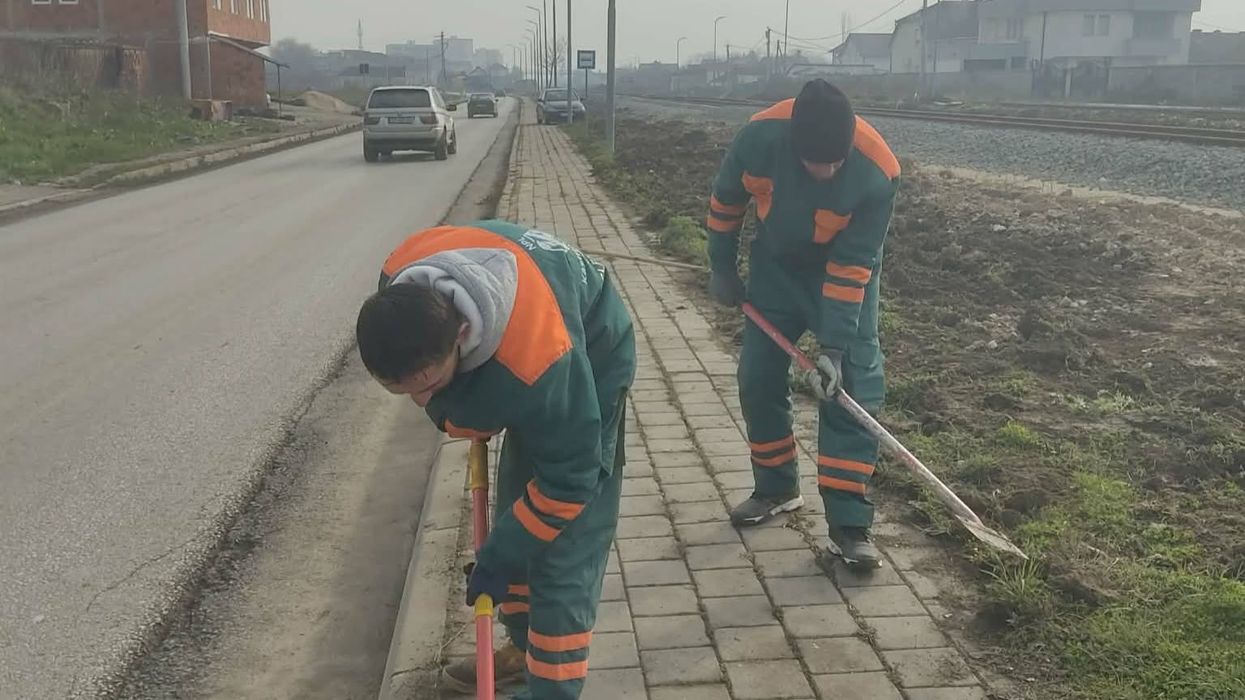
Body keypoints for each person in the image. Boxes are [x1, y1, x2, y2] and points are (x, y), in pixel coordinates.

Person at [356, 220, 636, 698]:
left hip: (591, 344)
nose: (422, 403)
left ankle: (551, 689)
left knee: (560, 543)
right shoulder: (398, 282)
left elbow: (570, 482)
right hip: (533, 322)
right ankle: (523, 651)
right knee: (518, 507)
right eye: (402, 392)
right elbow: (446, 399)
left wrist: (502, 554)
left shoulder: (541, 363)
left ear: (462, 334)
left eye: (426, 385)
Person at [704, 79, 900, 567]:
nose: (830, 169)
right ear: (795, 146)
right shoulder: (759, 139)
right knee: (757, 376)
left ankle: (849, 526)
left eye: (837, 162)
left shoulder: (877, 170)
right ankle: (776, 488)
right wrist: (722, 268)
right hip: (776, 269)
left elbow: (854, 263)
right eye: (820, 163)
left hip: (842, 275)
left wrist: (834, 346)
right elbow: (726, 203)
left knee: (850, 387)